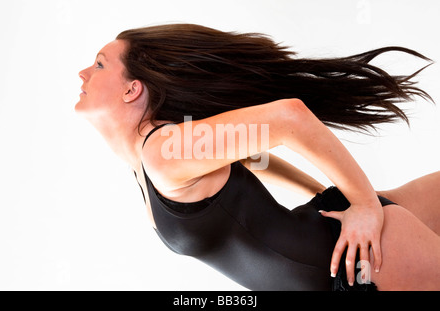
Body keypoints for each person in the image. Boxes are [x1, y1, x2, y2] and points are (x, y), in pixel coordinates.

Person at [75, 23, 440, 291]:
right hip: (351, 250)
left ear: (131, 89)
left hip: (361, 265)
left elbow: (289, 118)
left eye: (100, 64)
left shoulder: (163, 150)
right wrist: (326, 194)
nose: (84, 73)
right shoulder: (160, 151)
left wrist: (363, 206)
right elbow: (250, 159)